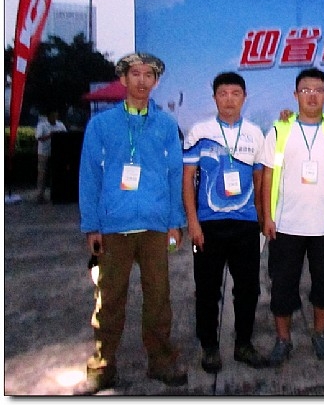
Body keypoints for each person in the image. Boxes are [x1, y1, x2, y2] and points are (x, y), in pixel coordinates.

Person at [76, 53, 187, 394]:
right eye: (134, 74)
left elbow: (174, 174)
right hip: (114, 227)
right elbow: (90, 176)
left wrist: (175, 222)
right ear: (123, 79)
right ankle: (103, 364)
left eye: (148, 75)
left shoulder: (166, 125)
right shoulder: (101, 125)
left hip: (155, 227)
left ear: (156, 81)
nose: (141, 80)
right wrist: (92, 225)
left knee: (159, 298)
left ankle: (161, 360)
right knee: (109, 299)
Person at [261, 67, 324, 366]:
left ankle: (320, 334)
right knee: (282, 286)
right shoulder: (280, 129)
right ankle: (283, 339)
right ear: (296, 95)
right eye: (306, 90)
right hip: (286, 225)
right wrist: (267, 217)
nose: (312, 96)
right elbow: (267, 175)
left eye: (318, 90)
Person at [182, 72, 268, 374]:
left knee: (248, 290)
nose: (229, 99)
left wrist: (262, 219)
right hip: (208, 225)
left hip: (246, 225)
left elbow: (260, 180)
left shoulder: (255, 134)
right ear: (214, 98)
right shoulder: (199, 132)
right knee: (207, 290)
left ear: (244, 97)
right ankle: (209, 348)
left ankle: (243, 344)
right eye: (223, 93)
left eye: (235, 93)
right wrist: (193, 222)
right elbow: (187, 180)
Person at [34, 109, 67, 203]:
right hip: (43, 153)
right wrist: (50, 135)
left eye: (56, 116)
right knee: (42, 174)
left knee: (57, 173)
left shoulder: (60, 125)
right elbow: (39, 138)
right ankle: (40, 195)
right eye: (53, 116)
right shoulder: (42, 125)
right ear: (48, 117)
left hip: (56, 153)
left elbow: (66, 136)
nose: (54, 118)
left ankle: (57, 194)